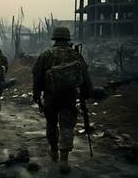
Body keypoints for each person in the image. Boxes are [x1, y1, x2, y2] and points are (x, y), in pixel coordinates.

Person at [32, 27, 93, 173]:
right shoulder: (75, 55)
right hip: (69, 97)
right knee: (66, 126)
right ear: (68, 39)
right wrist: (86, 93)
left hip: (50, 96)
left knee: (51, 124)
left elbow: (37, 76)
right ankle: (64, 160)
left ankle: (53, 151)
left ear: (54, 39)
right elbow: (85, 77)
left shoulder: (46, 54)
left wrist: (36, 94)